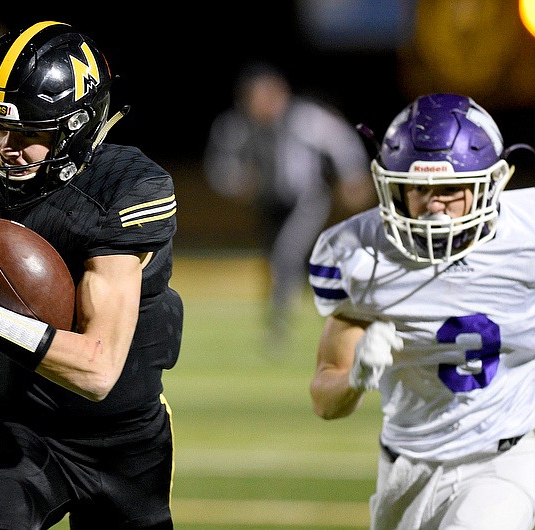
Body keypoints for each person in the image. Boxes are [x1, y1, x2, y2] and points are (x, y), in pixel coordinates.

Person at [0, 21, 183, 529]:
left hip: (124, 439)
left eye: (29, 132)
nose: (5, 145)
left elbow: (97, 371)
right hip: (18, 425)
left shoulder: (124, 189)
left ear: (78, 125)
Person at [308, 93, 535, 529]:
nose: (433, 204)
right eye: (418, 188)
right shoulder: (357, 254)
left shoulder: (523, 237)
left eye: (450, 189)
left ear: (493, 183)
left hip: (503, 462)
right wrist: (356, 377)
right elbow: (324, 401)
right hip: (404, 468)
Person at [203, 61, 374, 340]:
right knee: (273, 261)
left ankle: (282, 326)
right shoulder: (236, 125)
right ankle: (284, 315)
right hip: (268, 203)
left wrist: (353, 176)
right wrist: (236, 183)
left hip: (306, 199)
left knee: (286, 255)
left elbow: (341, 140)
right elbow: (220, 165)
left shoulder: (303, 117)